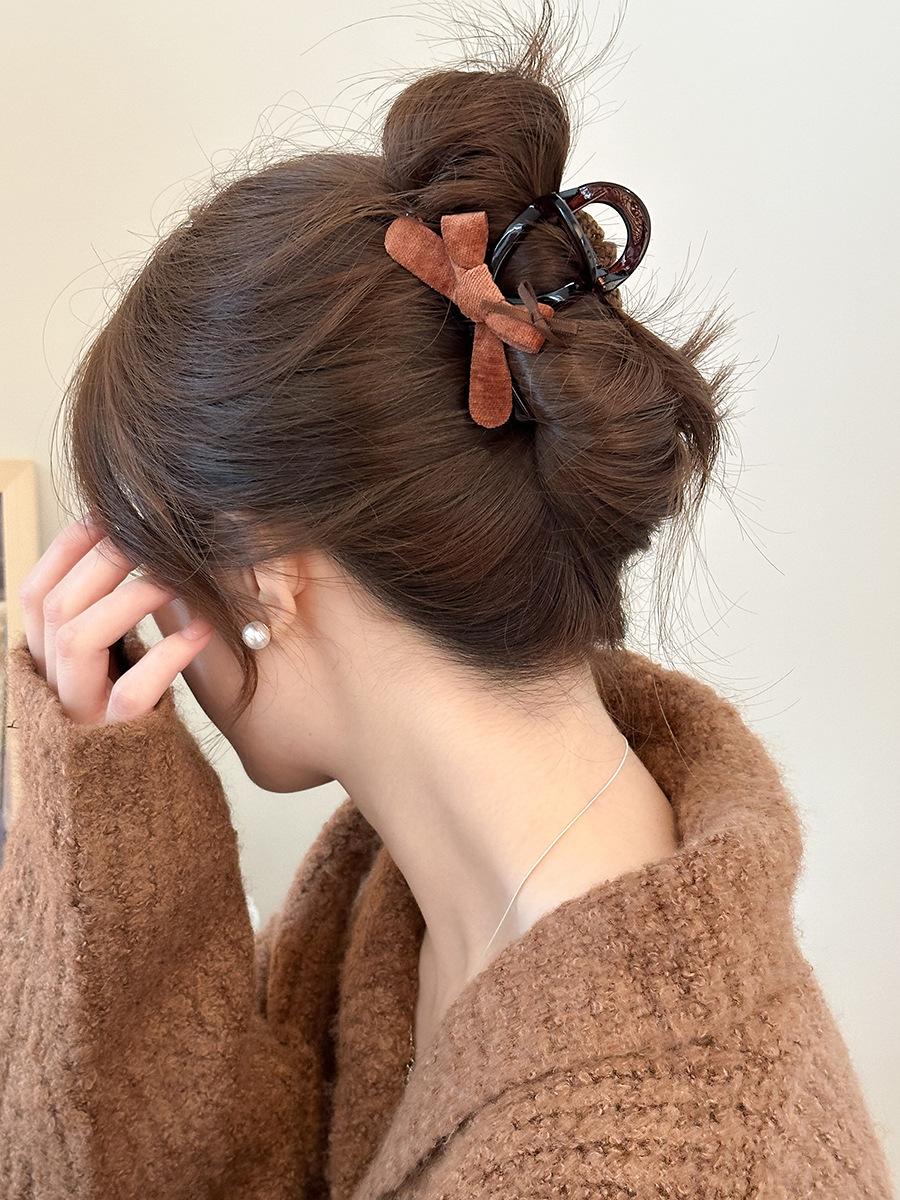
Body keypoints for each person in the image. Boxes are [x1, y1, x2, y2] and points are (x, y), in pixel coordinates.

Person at [0, 8, 893, 1199]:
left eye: (153, 565)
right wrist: (109, 811)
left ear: (264, 569)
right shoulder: (404, 903)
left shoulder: (663, 1162)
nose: (149, 619)